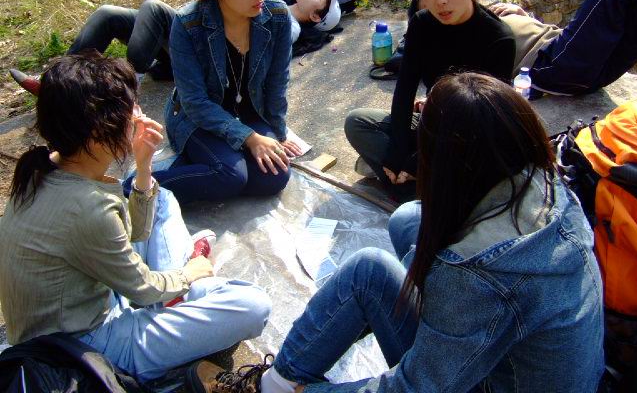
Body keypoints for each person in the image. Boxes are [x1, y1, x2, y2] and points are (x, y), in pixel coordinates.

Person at [188, 72, 604, 393]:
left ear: (449, 162)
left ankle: (270, 388)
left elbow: (414, 388)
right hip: (538, 371)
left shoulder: (474, 275)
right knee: (409, 219)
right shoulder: (550, 183)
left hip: (488, 379)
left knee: (367, 271)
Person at [0, 52, 272, 384]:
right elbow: (141, 288)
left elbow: (129, 234)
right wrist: (187, 274)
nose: (139, 115)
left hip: (87, 299)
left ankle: (176, 290)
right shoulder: (88, 207)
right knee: (253, 306)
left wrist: (143, 167)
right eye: (131, 110)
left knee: (162, 197)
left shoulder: (46, 166)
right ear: (98, 131)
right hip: (84, 347)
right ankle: (180, 290)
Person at [345, 0, 516, 200]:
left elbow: (484, 121)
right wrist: (398, 151)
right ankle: (420, 189)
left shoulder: (498, 39)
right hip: (433, 123)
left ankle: (413, 188)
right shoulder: (422, 23)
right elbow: (405, 90)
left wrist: (416, 160)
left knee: (482, 165)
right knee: (357, 122)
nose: (440, 0)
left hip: (471, 137)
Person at [137, 0, 301, 205]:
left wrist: (278, 135)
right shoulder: (188, 24)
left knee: (275, 176)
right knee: (230, 175)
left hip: (250, 113)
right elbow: (195, 102)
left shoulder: (278, 16)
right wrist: (249, 138)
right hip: (198, 118)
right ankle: (139, 186)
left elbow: (276, 84)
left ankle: (205, 169)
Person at [8, 0, 342, 93]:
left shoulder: (289, 27)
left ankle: (123, 86)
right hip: (193, 33)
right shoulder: (274, 0)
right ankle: (56, 81)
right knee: (108, 14)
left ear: (316, 17)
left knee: (153, 8)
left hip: (203, 51)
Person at [487, 0, 637, 97]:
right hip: (549, 65)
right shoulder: (473, 35)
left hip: (574, 59)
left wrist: (526, 17)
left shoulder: (482, 13)